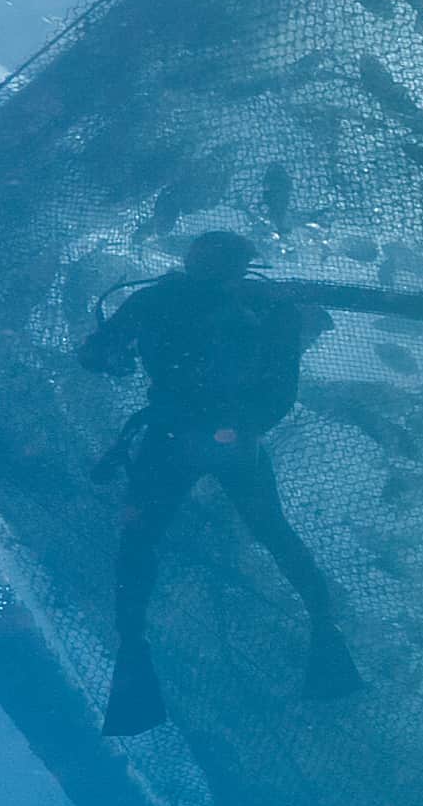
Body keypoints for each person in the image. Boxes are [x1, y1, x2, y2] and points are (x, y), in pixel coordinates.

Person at [83, 227, 361, 735]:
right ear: (240, 268)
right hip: (229, 438)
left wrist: (116, 354)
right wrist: (239, 430)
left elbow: (97, 353)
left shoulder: (159, 298)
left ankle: (133, 651)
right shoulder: (265, 308)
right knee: (273, 533)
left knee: (140, 541)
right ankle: (326, 631)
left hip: (173, 434)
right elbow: (281, 390)